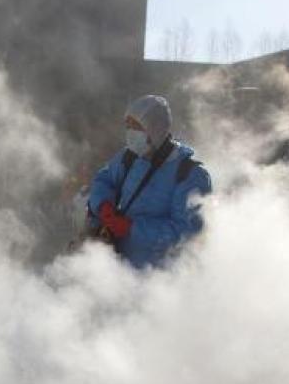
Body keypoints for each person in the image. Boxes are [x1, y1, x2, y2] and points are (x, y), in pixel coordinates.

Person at [85, 94, 212, 268]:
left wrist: (132, 229)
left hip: (159, 279)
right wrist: (103, 205)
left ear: (155, 129)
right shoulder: (128, 157)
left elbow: (189, 233)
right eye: (127, 126)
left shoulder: (190, 174)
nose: (130, 133)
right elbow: (103, 180)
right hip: (117, 268)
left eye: (136, 127)